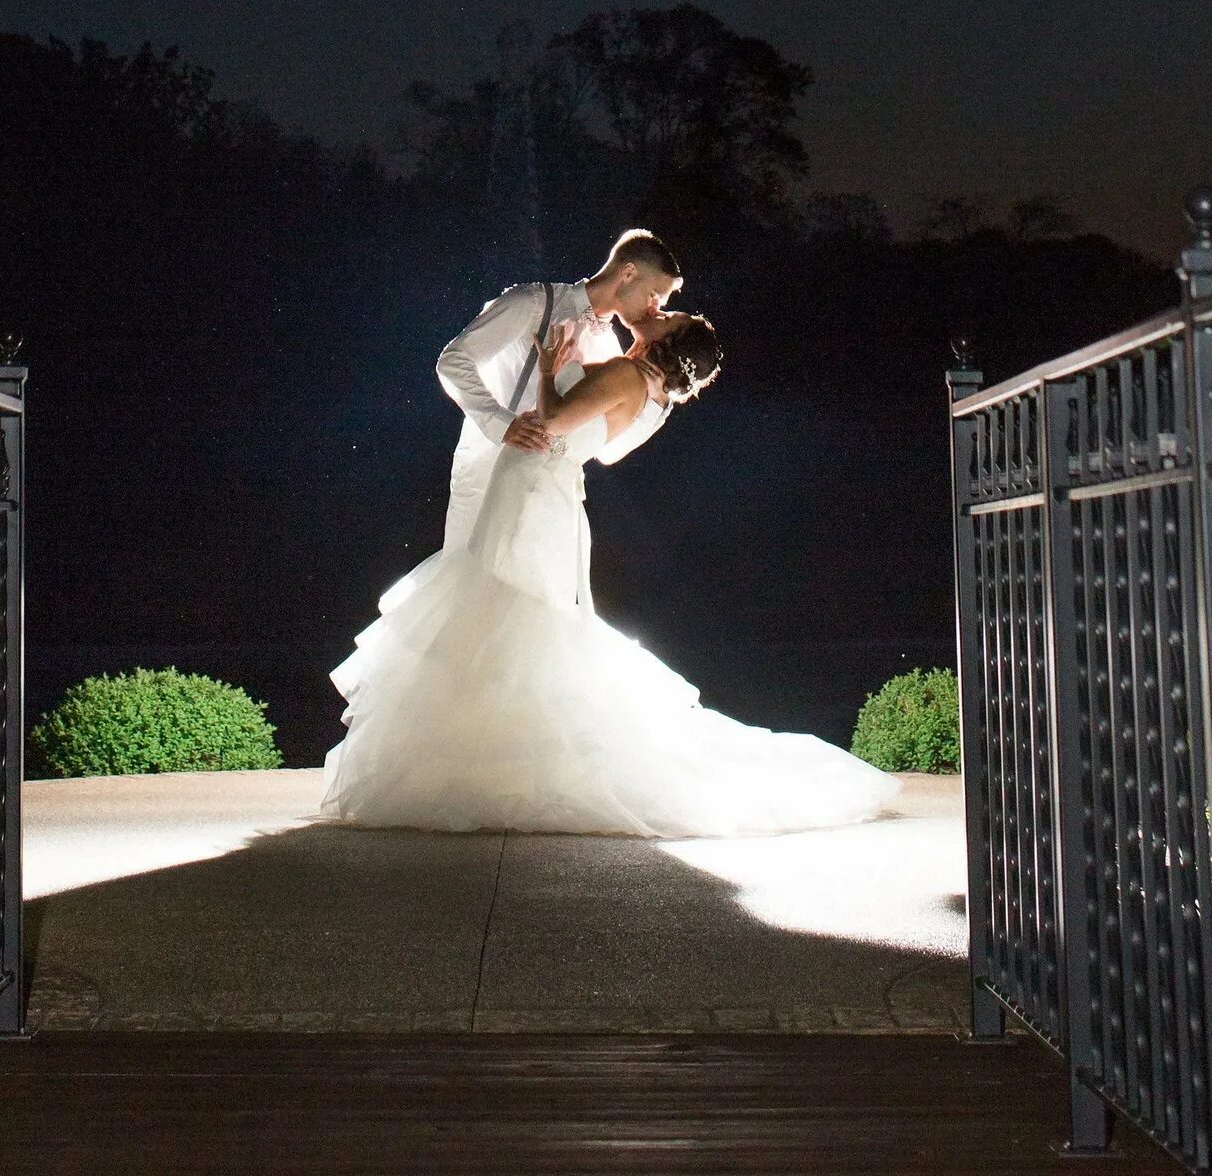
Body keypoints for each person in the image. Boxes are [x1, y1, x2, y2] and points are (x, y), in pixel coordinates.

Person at [320, 300, 898, 836]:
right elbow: (606, 450)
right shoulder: (653, 396)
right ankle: (493, 761)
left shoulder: (626, 376)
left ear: (667, 344)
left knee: (510, 611)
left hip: (533, 489)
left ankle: (489, 766)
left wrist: (549, 368)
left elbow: (553, 419)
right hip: (546, 490)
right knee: (506, 615)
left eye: (668, 317)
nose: (658, 311)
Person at [433, 230, 683, 558]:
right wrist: (503, 423)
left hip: (546, 498)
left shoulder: (611, 353)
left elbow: (605, 451)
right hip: (487, 470)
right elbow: (453, 361)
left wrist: (655, 403)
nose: (655, 309)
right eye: (654, 295)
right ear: (627, 272)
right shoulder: (534, 303)